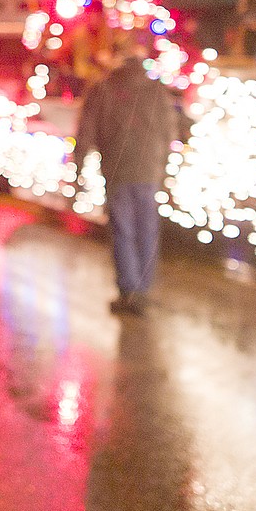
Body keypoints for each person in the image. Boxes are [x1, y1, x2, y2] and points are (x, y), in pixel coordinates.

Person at [75, 46, 177, 316]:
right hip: (149, 171)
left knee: (123, 231)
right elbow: (169, 130)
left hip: (117, 171)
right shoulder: (155, 90)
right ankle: (142, 289)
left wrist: (78, 169)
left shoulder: (103, 89)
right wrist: (164, 167)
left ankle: (129, 290)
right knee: (147, 230)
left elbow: (85, 130)